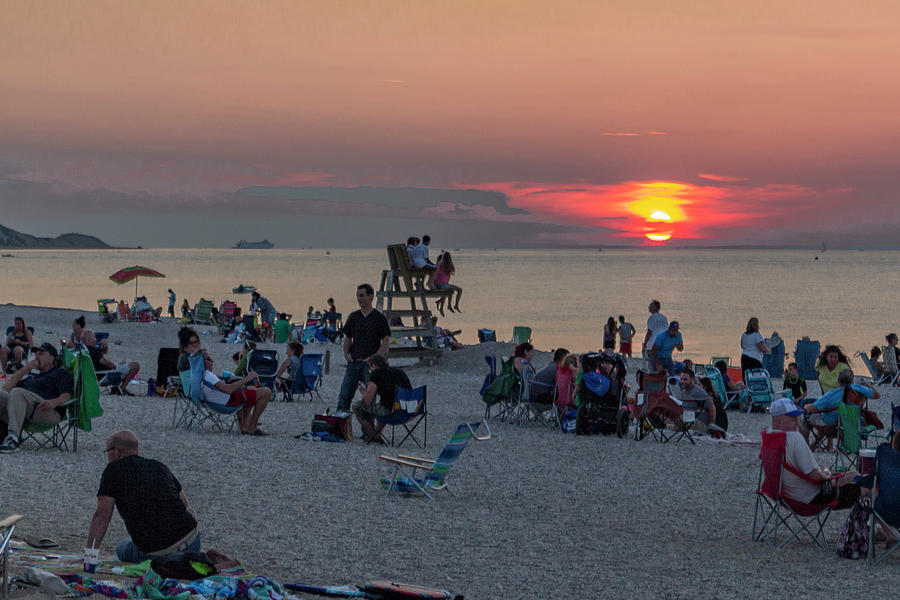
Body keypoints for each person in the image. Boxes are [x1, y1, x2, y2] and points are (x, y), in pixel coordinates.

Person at [86, 430, 201, 563]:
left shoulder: (113, 470)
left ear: (116, 452)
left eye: (107, 452)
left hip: (159, 553)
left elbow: (102, 517)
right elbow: (184, 503)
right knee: (131, 543)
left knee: (121, 548)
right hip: (192, 539)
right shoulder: (159, 466)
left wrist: (89, 557)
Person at [768, 397, 860, 508]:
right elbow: (815, 476)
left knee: (850, 476)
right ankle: (867, 522)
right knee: (862, 482)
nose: (797, 423)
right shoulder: (794, 438)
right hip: (809, 499)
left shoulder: (768, 438)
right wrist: (826, 475)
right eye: (792, 419)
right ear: (778, 422)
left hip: (783, 497)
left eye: (796, 418)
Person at [0, 343, 74, 453]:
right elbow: (5, 390)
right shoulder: (32, 377)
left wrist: (54, 402)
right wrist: (24, 369)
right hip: (25, 407)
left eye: (41, 354)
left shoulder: (60, 373)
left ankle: (13, 439)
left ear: (51, 358)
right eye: (35, 354)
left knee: (17, 392)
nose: (36, 357)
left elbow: (66, 396)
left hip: (47, 410)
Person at [337, 283, 391, 412]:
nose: (359, 299)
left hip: (370, 365)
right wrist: (346, 354)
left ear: (371, 296)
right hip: (354, 362)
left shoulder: (379, 318)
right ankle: (340, 429)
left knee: (369, 400)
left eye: (362, 295)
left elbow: (386, 340)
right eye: (357, 296)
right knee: (344, 396)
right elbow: (348, 337)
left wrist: (376, 357)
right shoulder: (354, 317)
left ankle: (367, 431)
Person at [800, 369, 878, 451]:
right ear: (853, 380)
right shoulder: (860, 389)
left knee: (805, 416)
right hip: (853, 425)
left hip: (832, 427)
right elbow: (877, 395)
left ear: (838, 381)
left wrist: (805, 406)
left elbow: (810, 409)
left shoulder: (831, 395)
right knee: (829, 417)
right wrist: (868, 385)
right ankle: (814, 445)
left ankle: (806, 448)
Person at [199, 350, 271, 435]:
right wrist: (247, 378)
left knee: (249, 389)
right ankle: (252, 427)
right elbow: (228, 390)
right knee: (266, 392)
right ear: (201, 362)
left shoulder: (200, 374)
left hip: (217, 401)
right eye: (209, 359)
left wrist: (224, 380)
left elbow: (221, 387)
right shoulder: (208, 375)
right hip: (228, 402)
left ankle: (244, 426)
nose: (212, 361)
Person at [352, 354, 411, 442]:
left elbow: (367, 401)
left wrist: (362, 390)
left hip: (391, 412)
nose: (370, 371)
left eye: (370, 368)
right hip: (408, 411)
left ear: (374, 365)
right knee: (382, 404)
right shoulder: (400, 372)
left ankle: (374, 436)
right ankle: (378, 434)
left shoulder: (376, 374)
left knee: (357, 406)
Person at [82, 330, 140, 396]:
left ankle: (116, 389)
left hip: (98, 373)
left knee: (123, 363)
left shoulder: (85, 350)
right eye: (94, 338)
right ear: (88, 340)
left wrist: (105, 347)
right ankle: (122, 389)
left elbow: (103, 353)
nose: (96, 340)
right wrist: (116, 366)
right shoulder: (93, 351)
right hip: (106, 375)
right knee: (136, 365)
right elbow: (106, 363)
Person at [433, 251, 462, 316]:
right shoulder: (441, 265)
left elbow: (451, 273)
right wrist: (434, 284)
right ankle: (454, 305)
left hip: (444, 284)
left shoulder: (445, 265)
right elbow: (435, 274)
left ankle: (446, 305)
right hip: (441, 285)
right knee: (459, 290)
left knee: (450, 291)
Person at [555, 353, 578, 418]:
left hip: (560, 400)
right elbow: (579, 381)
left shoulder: (559, 370)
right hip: (570, 400)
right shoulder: (571, 371)